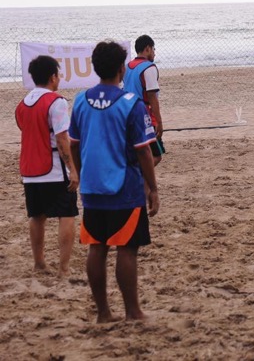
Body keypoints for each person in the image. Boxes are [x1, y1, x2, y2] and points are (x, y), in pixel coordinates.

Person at [69, 41, 159, 322]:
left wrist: (82, 172)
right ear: (122, 68)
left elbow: (74, 144)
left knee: (96, 247)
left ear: (95, 68)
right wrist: (153, 188)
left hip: (93, 187)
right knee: (126, 249)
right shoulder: (131, 104)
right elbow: (143, 150)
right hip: (124, 187)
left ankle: (103, 313)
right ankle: (133, 311)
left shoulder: (81, 100)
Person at [15, 55, 79, 277]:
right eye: (58, 74)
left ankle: (39, 262)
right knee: (67, 214)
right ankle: (63, 268)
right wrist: (72, 169)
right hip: (52, 169)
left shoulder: (22, 104)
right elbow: (62, 139)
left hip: (30, 170)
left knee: (36, 216)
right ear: (53, 77)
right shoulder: (56, 101)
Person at [123, 34, 165, 166]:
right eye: (153, 49)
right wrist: (159, 121)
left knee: (137, 153)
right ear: (147, 49)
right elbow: (152, 97)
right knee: (155, 156)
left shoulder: (127, 66)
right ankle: (139, 179)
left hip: (127, 114)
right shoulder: (149, 68)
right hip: (145, 116)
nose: (154, 53)